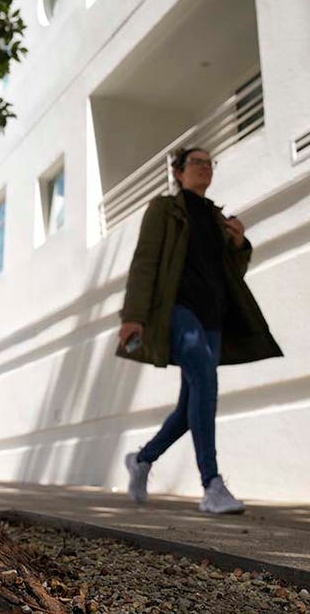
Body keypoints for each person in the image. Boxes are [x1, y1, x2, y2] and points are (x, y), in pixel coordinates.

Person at [116, 147, 282, 514]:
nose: (205, 168)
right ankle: (212, 484)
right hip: (176, 311)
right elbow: (144, 261)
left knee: (190, 404)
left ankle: (142, 459)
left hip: (213, 317)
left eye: (210, 163)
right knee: (205, 381)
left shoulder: (217, 217)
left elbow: (232, 273)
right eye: (197, 163)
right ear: (178, 172)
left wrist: (239, 243)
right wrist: (132, 316)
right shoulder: (165, 209)